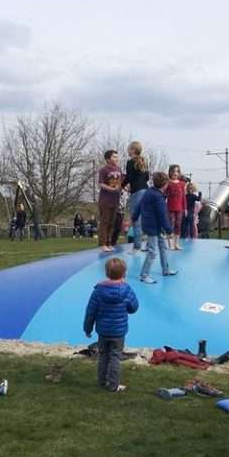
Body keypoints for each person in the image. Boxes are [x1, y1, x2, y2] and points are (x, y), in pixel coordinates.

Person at [83, 257, 139, 393]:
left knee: (103, 355)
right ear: (124, 273)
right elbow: (134, 307)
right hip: (119, 332)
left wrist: (87, 328)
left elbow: (90, 312)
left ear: (106, 273)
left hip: (103, 331)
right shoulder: (127, 290)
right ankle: (113, 385)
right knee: (115, 357)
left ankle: (102, 381)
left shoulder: (98, 291)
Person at [132, 171, 178, 284]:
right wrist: (169, 230)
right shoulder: (158, 197)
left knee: (163, 247)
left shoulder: (149, 192)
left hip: (152, 225)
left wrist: (134, 217)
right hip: (153, 227)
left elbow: (139, 205)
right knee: (152, 252)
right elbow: (162, 215)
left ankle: (165, 270)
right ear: (165, 184)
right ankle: (144, 275)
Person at [121, 141, 149, 254]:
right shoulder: (143, 162)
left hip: (137, 192)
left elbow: (129, 177)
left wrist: (121, 186)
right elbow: (146, 177)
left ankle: (136, 247)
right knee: (144, 218)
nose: (128, 150)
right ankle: (147, 244)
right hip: (145, 191)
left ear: (133, 150)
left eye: (129, 149)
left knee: (136, 219)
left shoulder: (130, 162)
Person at [97, 150, 123, 252]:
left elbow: (121, 182)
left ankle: (109, 242)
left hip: (115, 200)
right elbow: (101, 183)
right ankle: (103, 243)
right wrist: (111, 189)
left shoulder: (119, 169)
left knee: (112, 222)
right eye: (114, 157)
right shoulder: (103, 170)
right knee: (105, 222)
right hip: (105, 200)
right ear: (108, 159)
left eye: (117, 157)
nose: (116, 159)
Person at [165, 164, 186, 250]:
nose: (175, 173)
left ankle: (176, 243)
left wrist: (185, 208)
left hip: (179, 208)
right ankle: (170, 244)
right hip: (170, 208)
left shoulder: (182, 184)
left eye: (177, 171)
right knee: (171, 225)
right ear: (170, 172)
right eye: (173, 171)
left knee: (178, 225)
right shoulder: (168, 183)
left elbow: (183, 197)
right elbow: (165, 195)